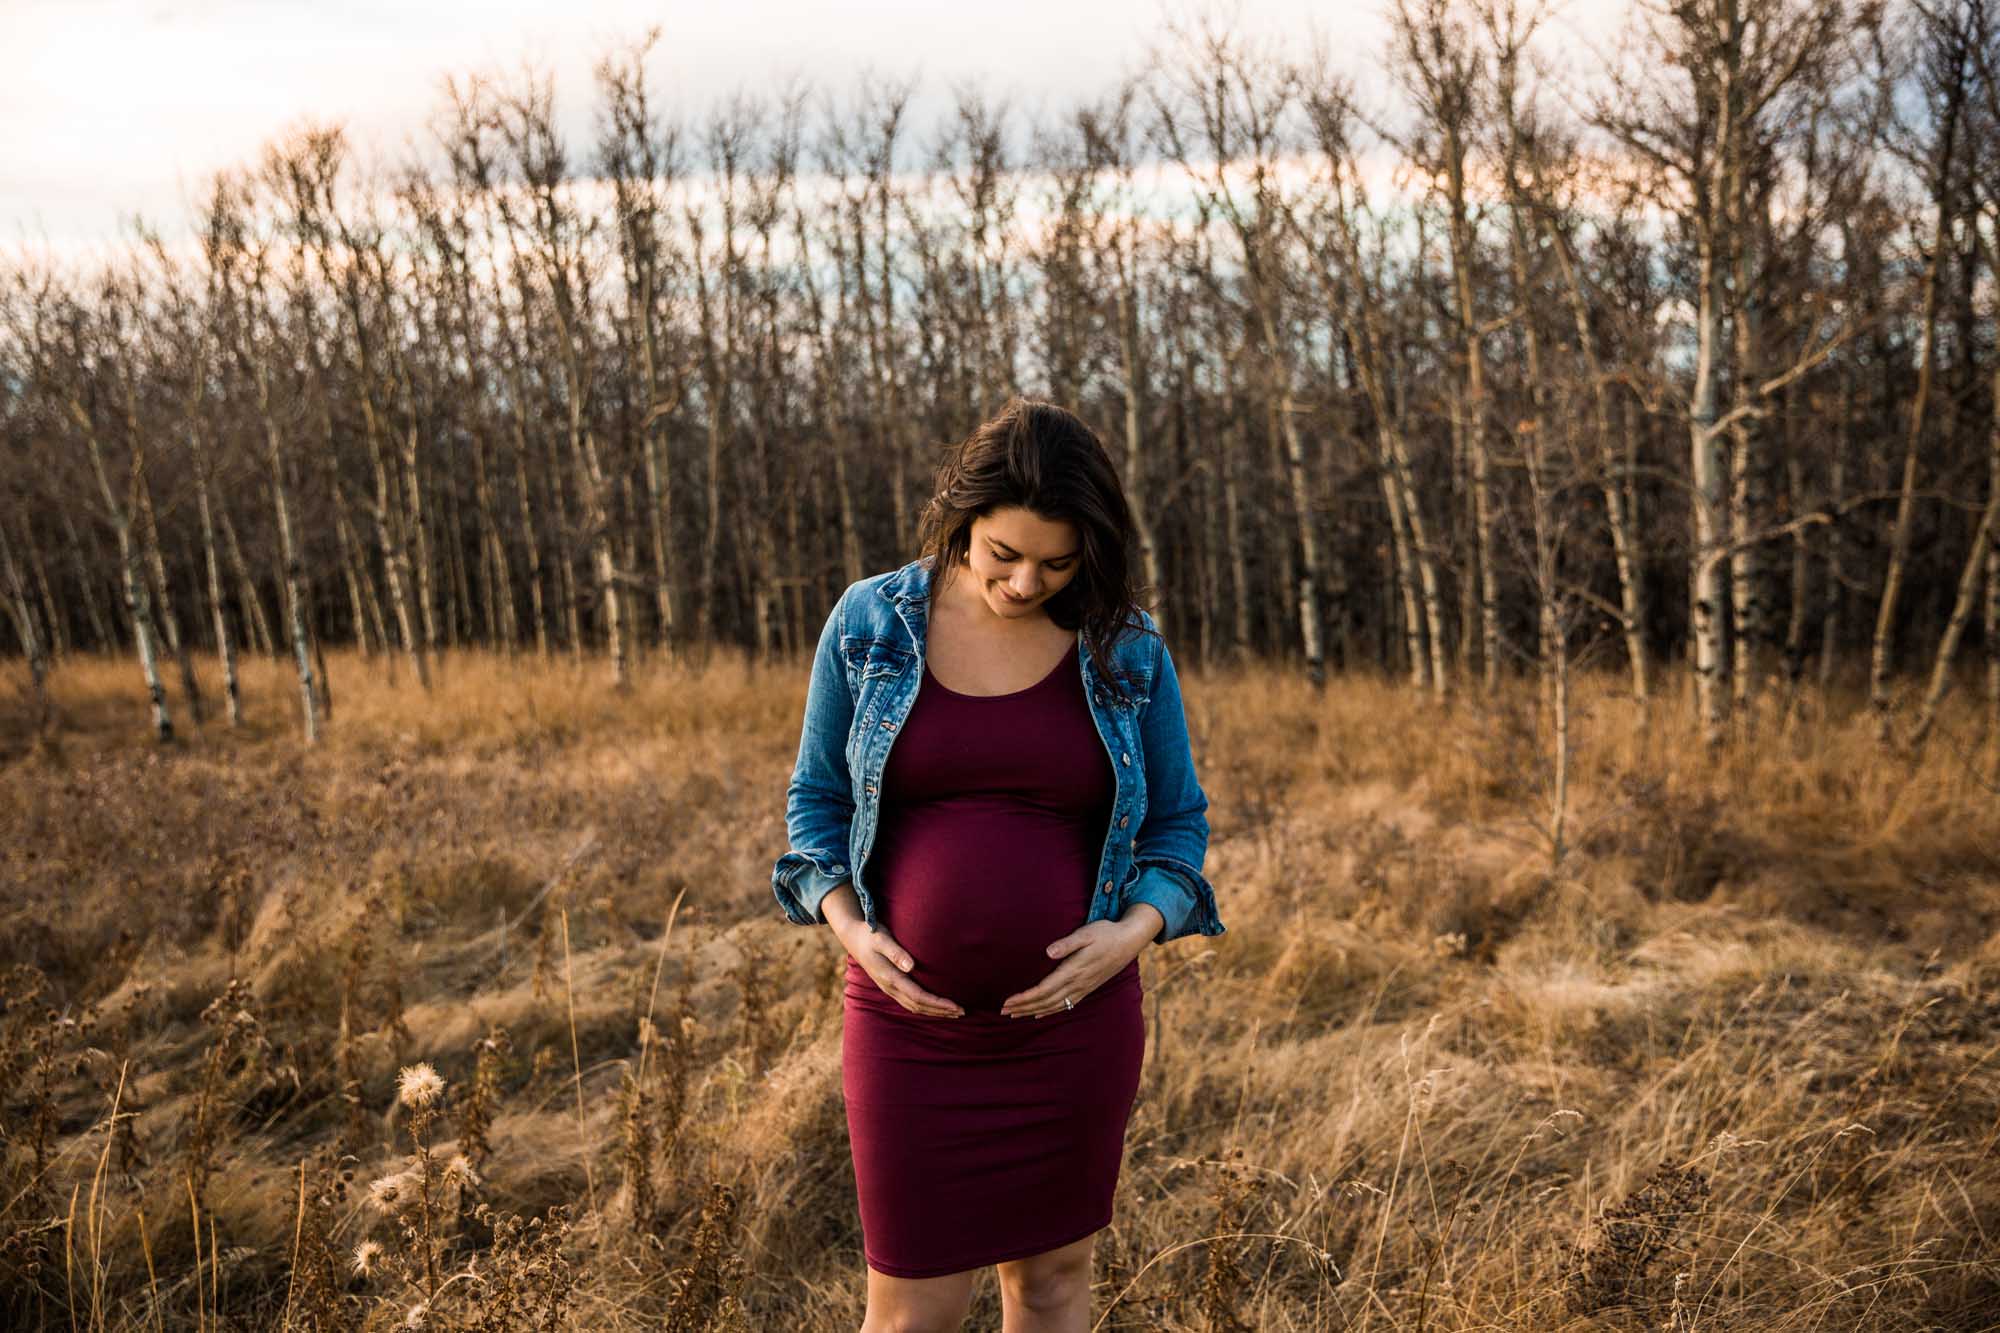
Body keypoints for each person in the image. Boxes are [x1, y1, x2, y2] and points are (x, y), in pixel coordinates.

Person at [772, 397, 1225, 1332]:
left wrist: (1129, 936)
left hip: (1074, 1027)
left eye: (1057, 563)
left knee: (1053, 1284)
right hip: (910, 1028)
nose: (1025, 583)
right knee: (910, 1310)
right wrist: (852, 932)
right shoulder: (871, 624)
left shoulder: (1123, 645)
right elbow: (816, 805)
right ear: (961, 522)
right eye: (1002, 555)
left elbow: (1177, 826)